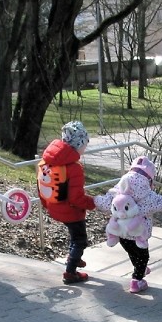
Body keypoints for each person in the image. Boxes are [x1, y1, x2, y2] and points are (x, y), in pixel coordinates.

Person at [95, 156, 162, 294]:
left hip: (121, 233)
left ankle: (140, 267)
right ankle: (137, 280)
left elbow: (105, 202)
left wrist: (93, 200)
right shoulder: (148, 197)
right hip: (138, 234)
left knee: (133, 253)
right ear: (149, 179)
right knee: (143, 255)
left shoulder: (119, 190)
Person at [37, 121, 97, 284]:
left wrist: (46, 205)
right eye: (85, 144)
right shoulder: (74, 167)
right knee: (80, 240)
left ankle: (74, 258)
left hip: (54, 206)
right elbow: (76, 198)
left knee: (74, 236)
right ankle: (70, 272)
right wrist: (93, 203)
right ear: (78, 144)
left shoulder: (47, 161)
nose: (85, 148)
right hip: (71, 211)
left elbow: (41, 186)